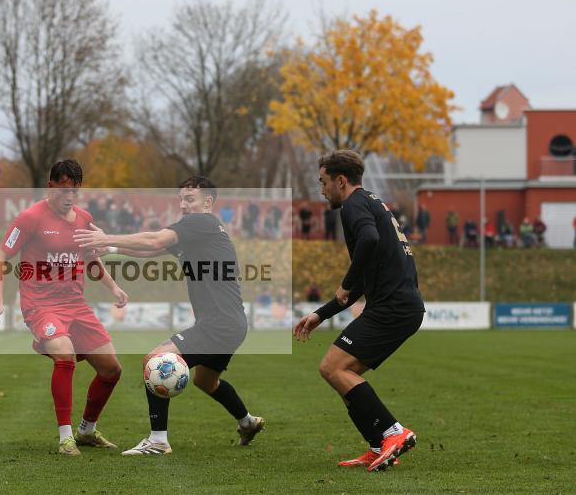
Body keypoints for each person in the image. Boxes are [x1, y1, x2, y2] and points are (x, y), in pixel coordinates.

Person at [74, 176, 264, 456]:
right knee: (205, 381)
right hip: (231, 323)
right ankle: (247, 422)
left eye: (190, 199)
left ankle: (158, 440)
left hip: (219, 324)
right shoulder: (201, 231)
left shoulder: (201, 222)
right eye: (181, 199)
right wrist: (111, 248)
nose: (183, 205)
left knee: (155, 360)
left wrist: (107, 237)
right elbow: (154, 249)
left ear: (208, 202)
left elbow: (155, 239)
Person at [0, 160, 128, 456]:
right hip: (40, 305)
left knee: (111, 369)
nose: (69, 197)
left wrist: (113, 287)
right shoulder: (30, 218)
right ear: (50, 187)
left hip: (75, 305)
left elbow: (90, 258)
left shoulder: (84, 219)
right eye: (64, 190)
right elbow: (0, 256)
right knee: (65, 355)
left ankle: (86, 431)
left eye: (75, 190)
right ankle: (65, 438)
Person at [294, 150, 423, 472]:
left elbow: (368, 240)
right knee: (343, 374)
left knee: (332, 367)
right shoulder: (370, 202)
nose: (321, 190)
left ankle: (393, 432)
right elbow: (364, 276)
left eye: (323, 182)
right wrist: (321, 314)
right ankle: (378, 444)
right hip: (399, 305)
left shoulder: (353, 205)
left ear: (341, 180)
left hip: (393, 307)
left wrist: (347, 281)